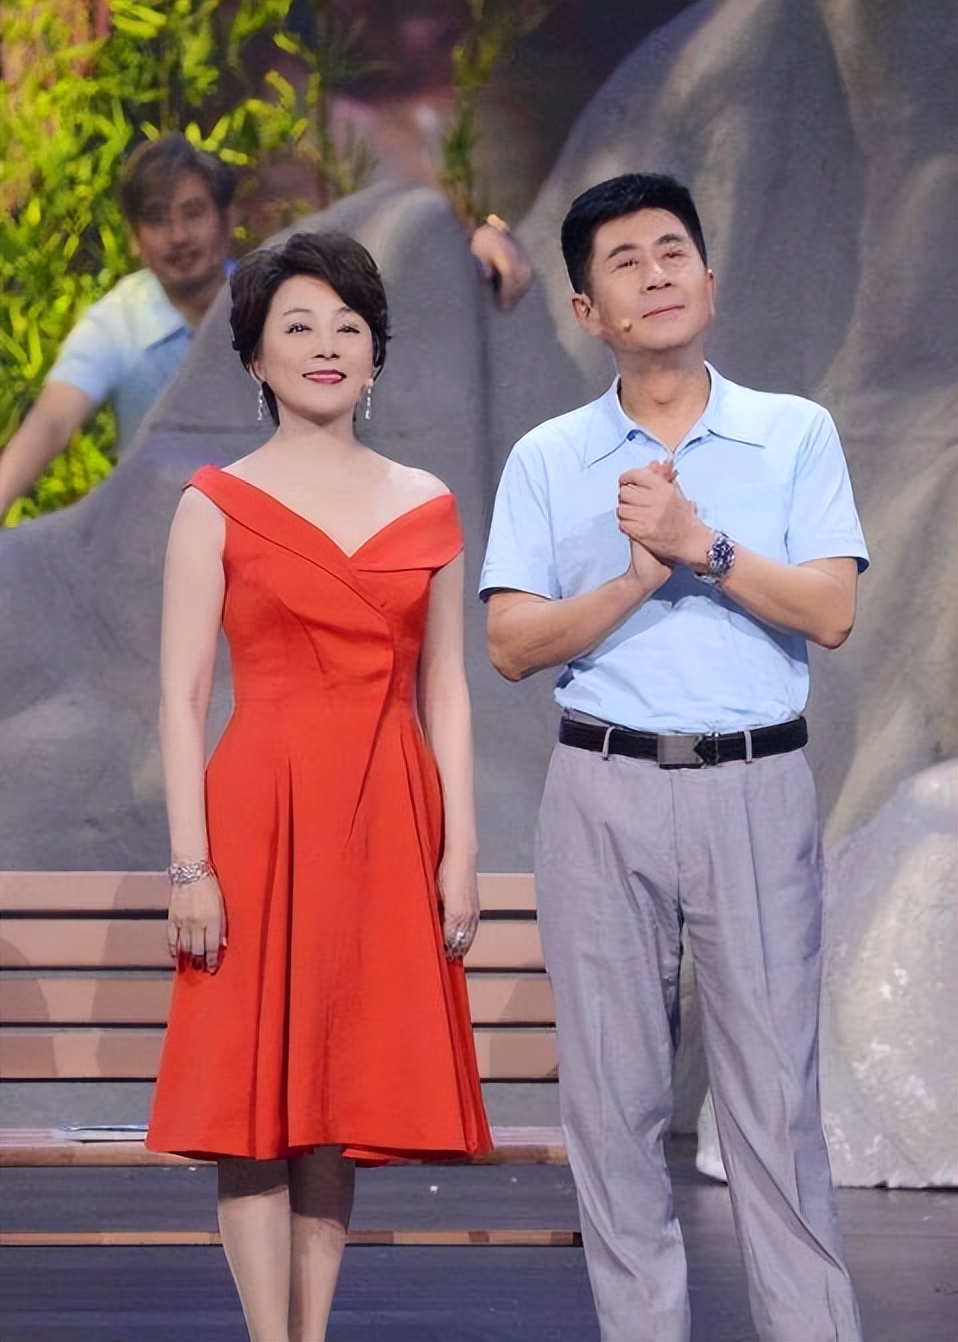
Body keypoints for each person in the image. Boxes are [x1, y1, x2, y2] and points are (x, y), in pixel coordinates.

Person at [479, 173, 867, 1342]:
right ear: (585, 310)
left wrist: (702, 545)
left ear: (707, 277)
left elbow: (830, 611)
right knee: (613, 1108)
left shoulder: (792, 430)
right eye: (623, 262)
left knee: (774, 1104)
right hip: (601, 787)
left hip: (754, 781)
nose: (653, 274)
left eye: (670, 251)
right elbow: (510, 644)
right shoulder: (549, 456)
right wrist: (628, 584)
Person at [145, 230, 492, 1342]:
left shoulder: (427, 504)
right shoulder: (213, 504)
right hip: (259, 815)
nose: (327, 343)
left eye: (349, 324)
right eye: (297, 325)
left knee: (336, 1096)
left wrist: (462, 848)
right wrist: (191, 867)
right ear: (255, 356)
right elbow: (181, 695)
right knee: (254, 1106)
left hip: (386, 817)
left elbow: (447, 689)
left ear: (375, 354)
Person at [0, 133, 236, 520]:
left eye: (193, 213)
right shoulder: (117, 321)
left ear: (226, 222)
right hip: (153, 536)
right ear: (134, 238)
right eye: (157, 219)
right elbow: (52, 421)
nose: (178, 236)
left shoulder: (275, 306)